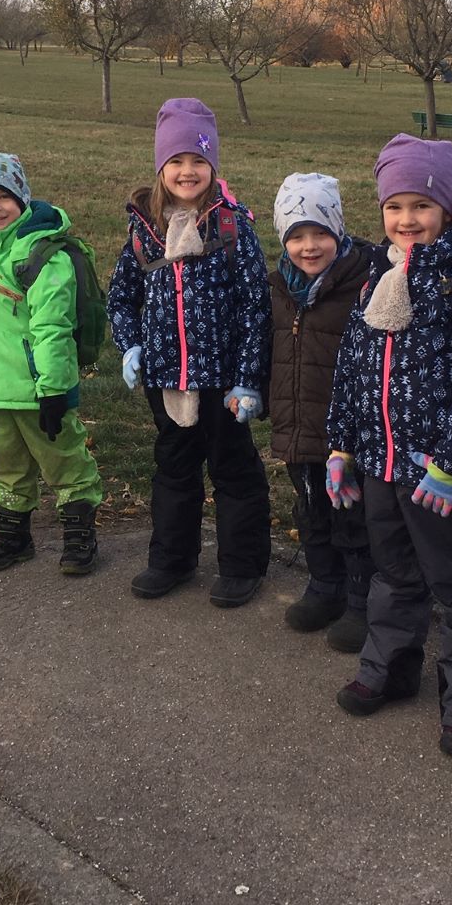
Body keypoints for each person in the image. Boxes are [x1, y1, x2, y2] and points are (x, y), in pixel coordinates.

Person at [324, 133, 452, 759]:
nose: (407, 220)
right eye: (394, 207)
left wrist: (451, 464)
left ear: (449, 208)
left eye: (421, 206)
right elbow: (352, 371)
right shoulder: (376, 277)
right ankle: (390, 667)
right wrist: (341, 447)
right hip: (380, 463)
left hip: (437, 474)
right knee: (395, 574)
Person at [107, 98, 273, 608]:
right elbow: (121, 297)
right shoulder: (145, 232)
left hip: (222, 380)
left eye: (198, 160)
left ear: (212, 166)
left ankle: (242, 565)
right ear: (161, 167)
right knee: (174, 469)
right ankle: (172, 559)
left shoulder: (232, 228)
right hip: (166, 379)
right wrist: (130, 345)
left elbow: (256, 307)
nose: (187, 171)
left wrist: (248, 378)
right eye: (176, 161)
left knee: (233, 469)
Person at [0, 152, 103, 575]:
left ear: (22, 198)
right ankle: (14, 535)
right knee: (6, 465)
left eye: (4, 197)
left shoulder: (41, 253)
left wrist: (54, 389)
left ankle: (78, 533)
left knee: (64, 460)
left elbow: (52, 327)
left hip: (41, 388)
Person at [267, 172, 374, 649]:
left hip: (344, 430)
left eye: (320, 233)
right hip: (296, 424)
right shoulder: (278, 287)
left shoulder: (362, 284)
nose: (309, 247)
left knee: (351, 515)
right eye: (296, 236)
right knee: (310, 509)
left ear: (338, 230)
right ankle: (324, 584)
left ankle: (360, 598)